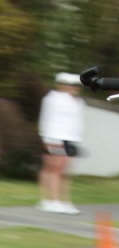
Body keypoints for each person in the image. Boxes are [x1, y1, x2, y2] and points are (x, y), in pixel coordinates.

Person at [37, 72, 84, 214]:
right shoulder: (52, 98)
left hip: (71, 139)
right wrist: (46, 138)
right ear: (61, 85)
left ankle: (64, 201)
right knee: (53, 168)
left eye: (75, 85)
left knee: (65, 171)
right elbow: (46, 119)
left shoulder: (79, 101)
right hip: (54, 137)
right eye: (69, 85)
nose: (73, 88)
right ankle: (49, 200)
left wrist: (78, 138)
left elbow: (77, 122)